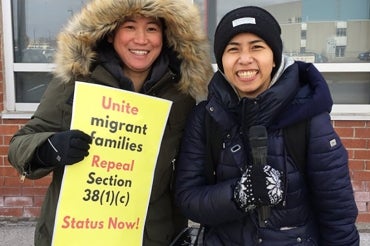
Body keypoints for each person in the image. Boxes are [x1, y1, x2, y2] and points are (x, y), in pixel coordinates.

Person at [7, 0, 213, 245]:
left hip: (151, 236)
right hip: (79, 233)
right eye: (129, 27)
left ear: (166, 35)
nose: (141, 39)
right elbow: (20, 145)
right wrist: (49, 149)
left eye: (151, 28)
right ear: (110, 34)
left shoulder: (181, 94)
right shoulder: (76, 81)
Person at [174, 6, 360, 245]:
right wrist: (238, 194)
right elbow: (188, 197)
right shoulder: (206, 117)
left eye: (256, 47)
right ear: (221, 61)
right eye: (233, 50)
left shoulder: (307, 116)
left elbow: (337, 210)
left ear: (274, 58)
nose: (244, 59)